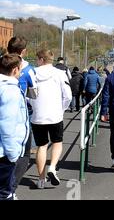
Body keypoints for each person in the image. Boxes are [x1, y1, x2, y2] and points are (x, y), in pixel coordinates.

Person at [30, 50, 72, 189]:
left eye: (37, 59)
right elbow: (68, 96)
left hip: (38, 117)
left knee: (41, 146)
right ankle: (52, 168)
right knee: (57, 142)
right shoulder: (60, 74)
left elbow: (28, 95)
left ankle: (41, 180)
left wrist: (35, 106)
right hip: (55, 115)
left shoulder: (32, 73)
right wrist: (62, 109)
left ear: (41, 59)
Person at [7, 37, 37, 197]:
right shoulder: (27, 68)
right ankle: (10, 190)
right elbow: (34, 94)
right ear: (23, 51)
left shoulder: (2, 63)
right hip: (20, 115)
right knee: (23, 154)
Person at [0, 54, 29, 200]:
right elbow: (7, 125)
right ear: (15, 69)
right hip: (5, 153)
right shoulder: (11, 91)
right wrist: (13, 155)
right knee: (5, 193)